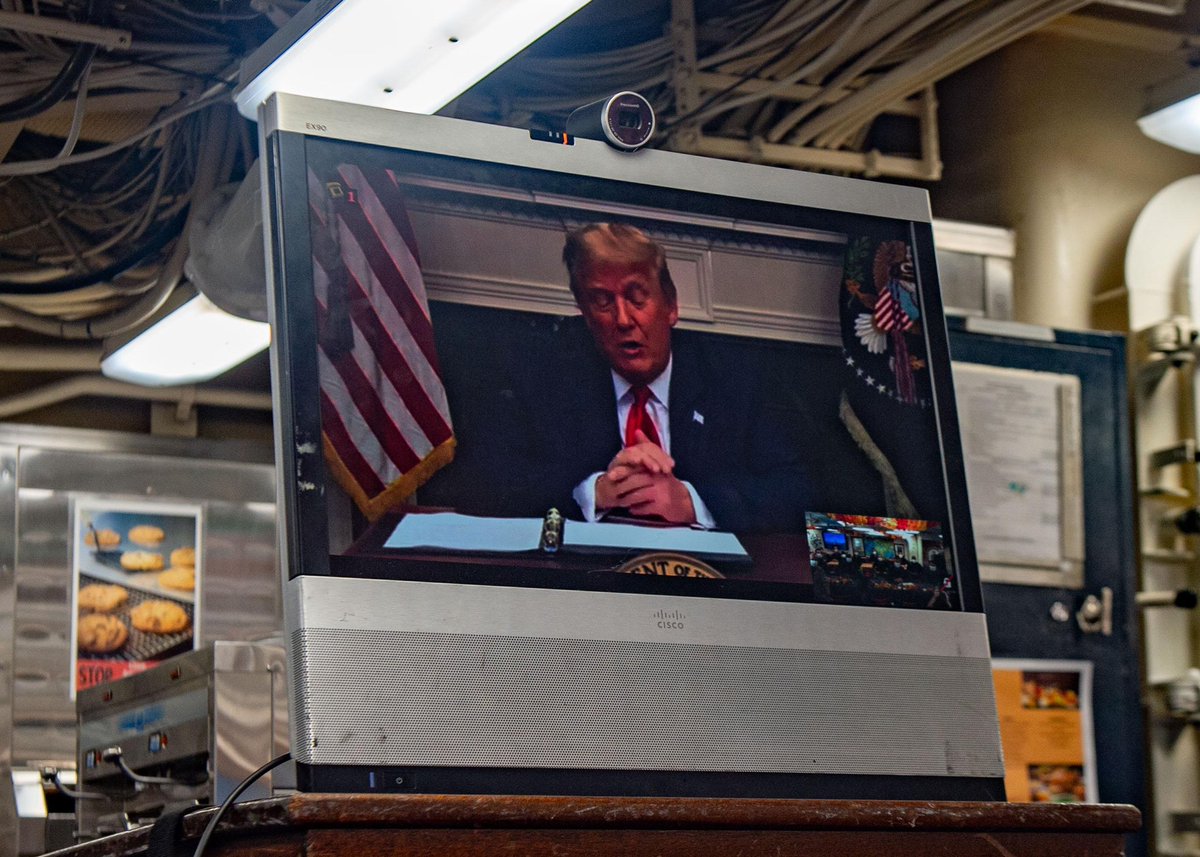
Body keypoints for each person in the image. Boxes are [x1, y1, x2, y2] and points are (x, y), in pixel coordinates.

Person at [427, 222, 811, 533]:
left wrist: (693, 501)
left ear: (671, 306)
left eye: (637, 296)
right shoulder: (541, 378)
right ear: (584, 312)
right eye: (602, 301)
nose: (624, 320)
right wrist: (593, 492)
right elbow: (481, 481)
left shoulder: (734, 379)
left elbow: (800, 490)